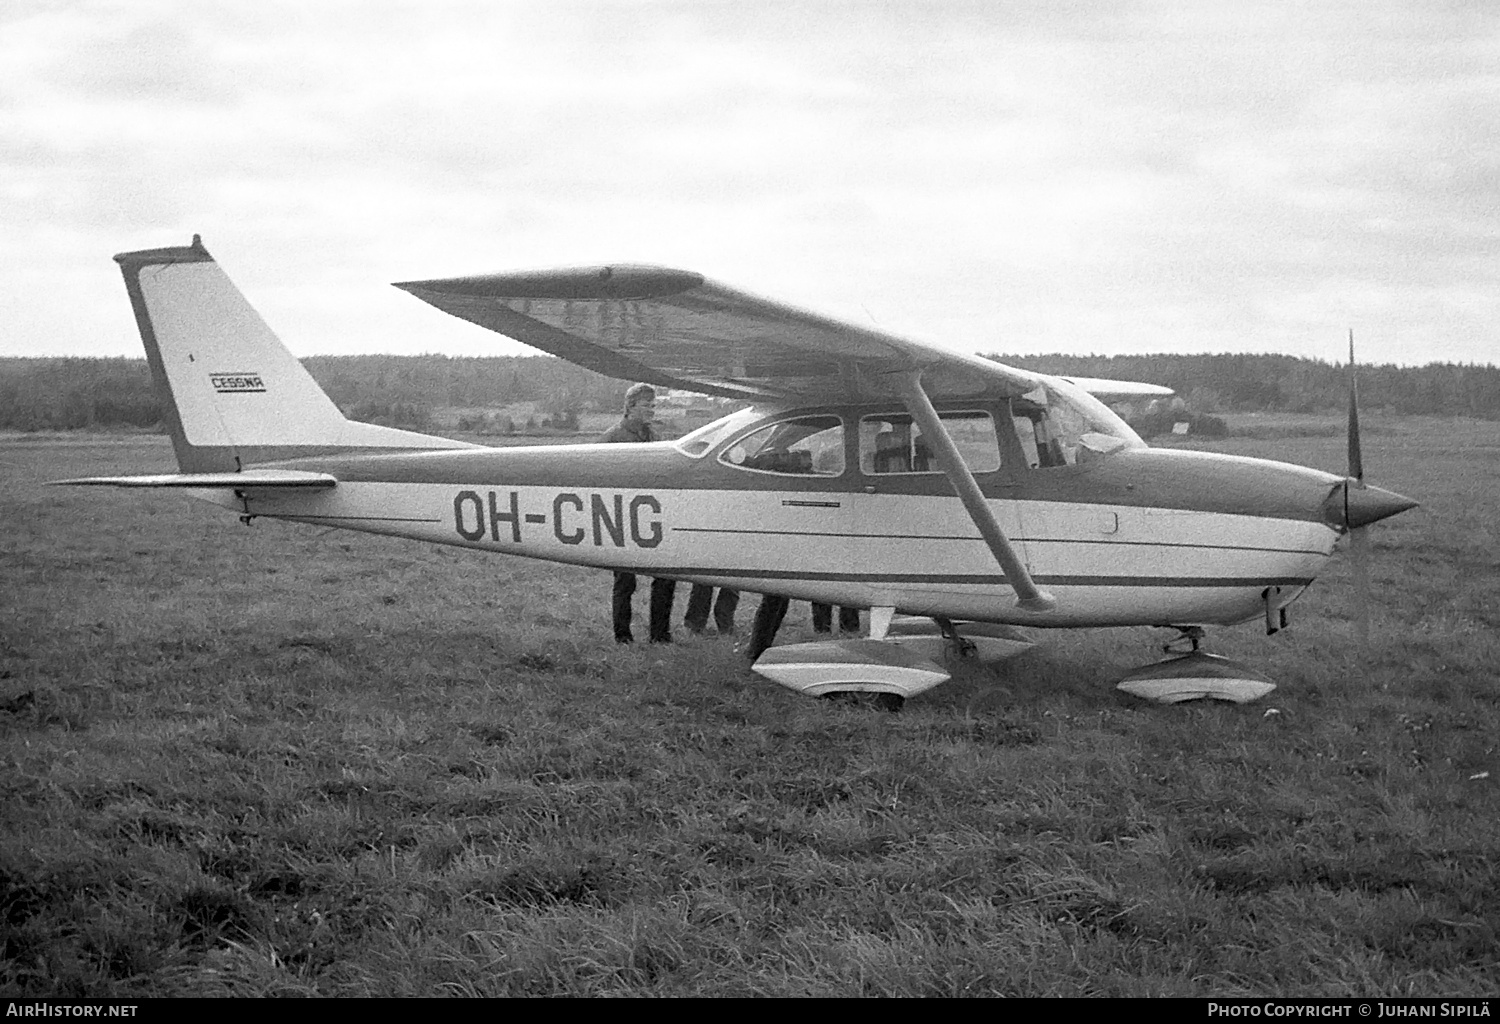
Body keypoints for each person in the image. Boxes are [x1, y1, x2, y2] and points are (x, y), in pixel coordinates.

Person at [601, 383, 675, 643]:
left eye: (654, 406)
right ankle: (622, 636)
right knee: (625, 582)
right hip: (622, 518)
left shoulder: (653, 436)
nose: (652, 411)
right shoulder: (612, 437)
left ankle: (660, 635)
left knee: (666, 577)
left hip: (652, 517)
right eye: (647, 406)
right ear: (630, 406)